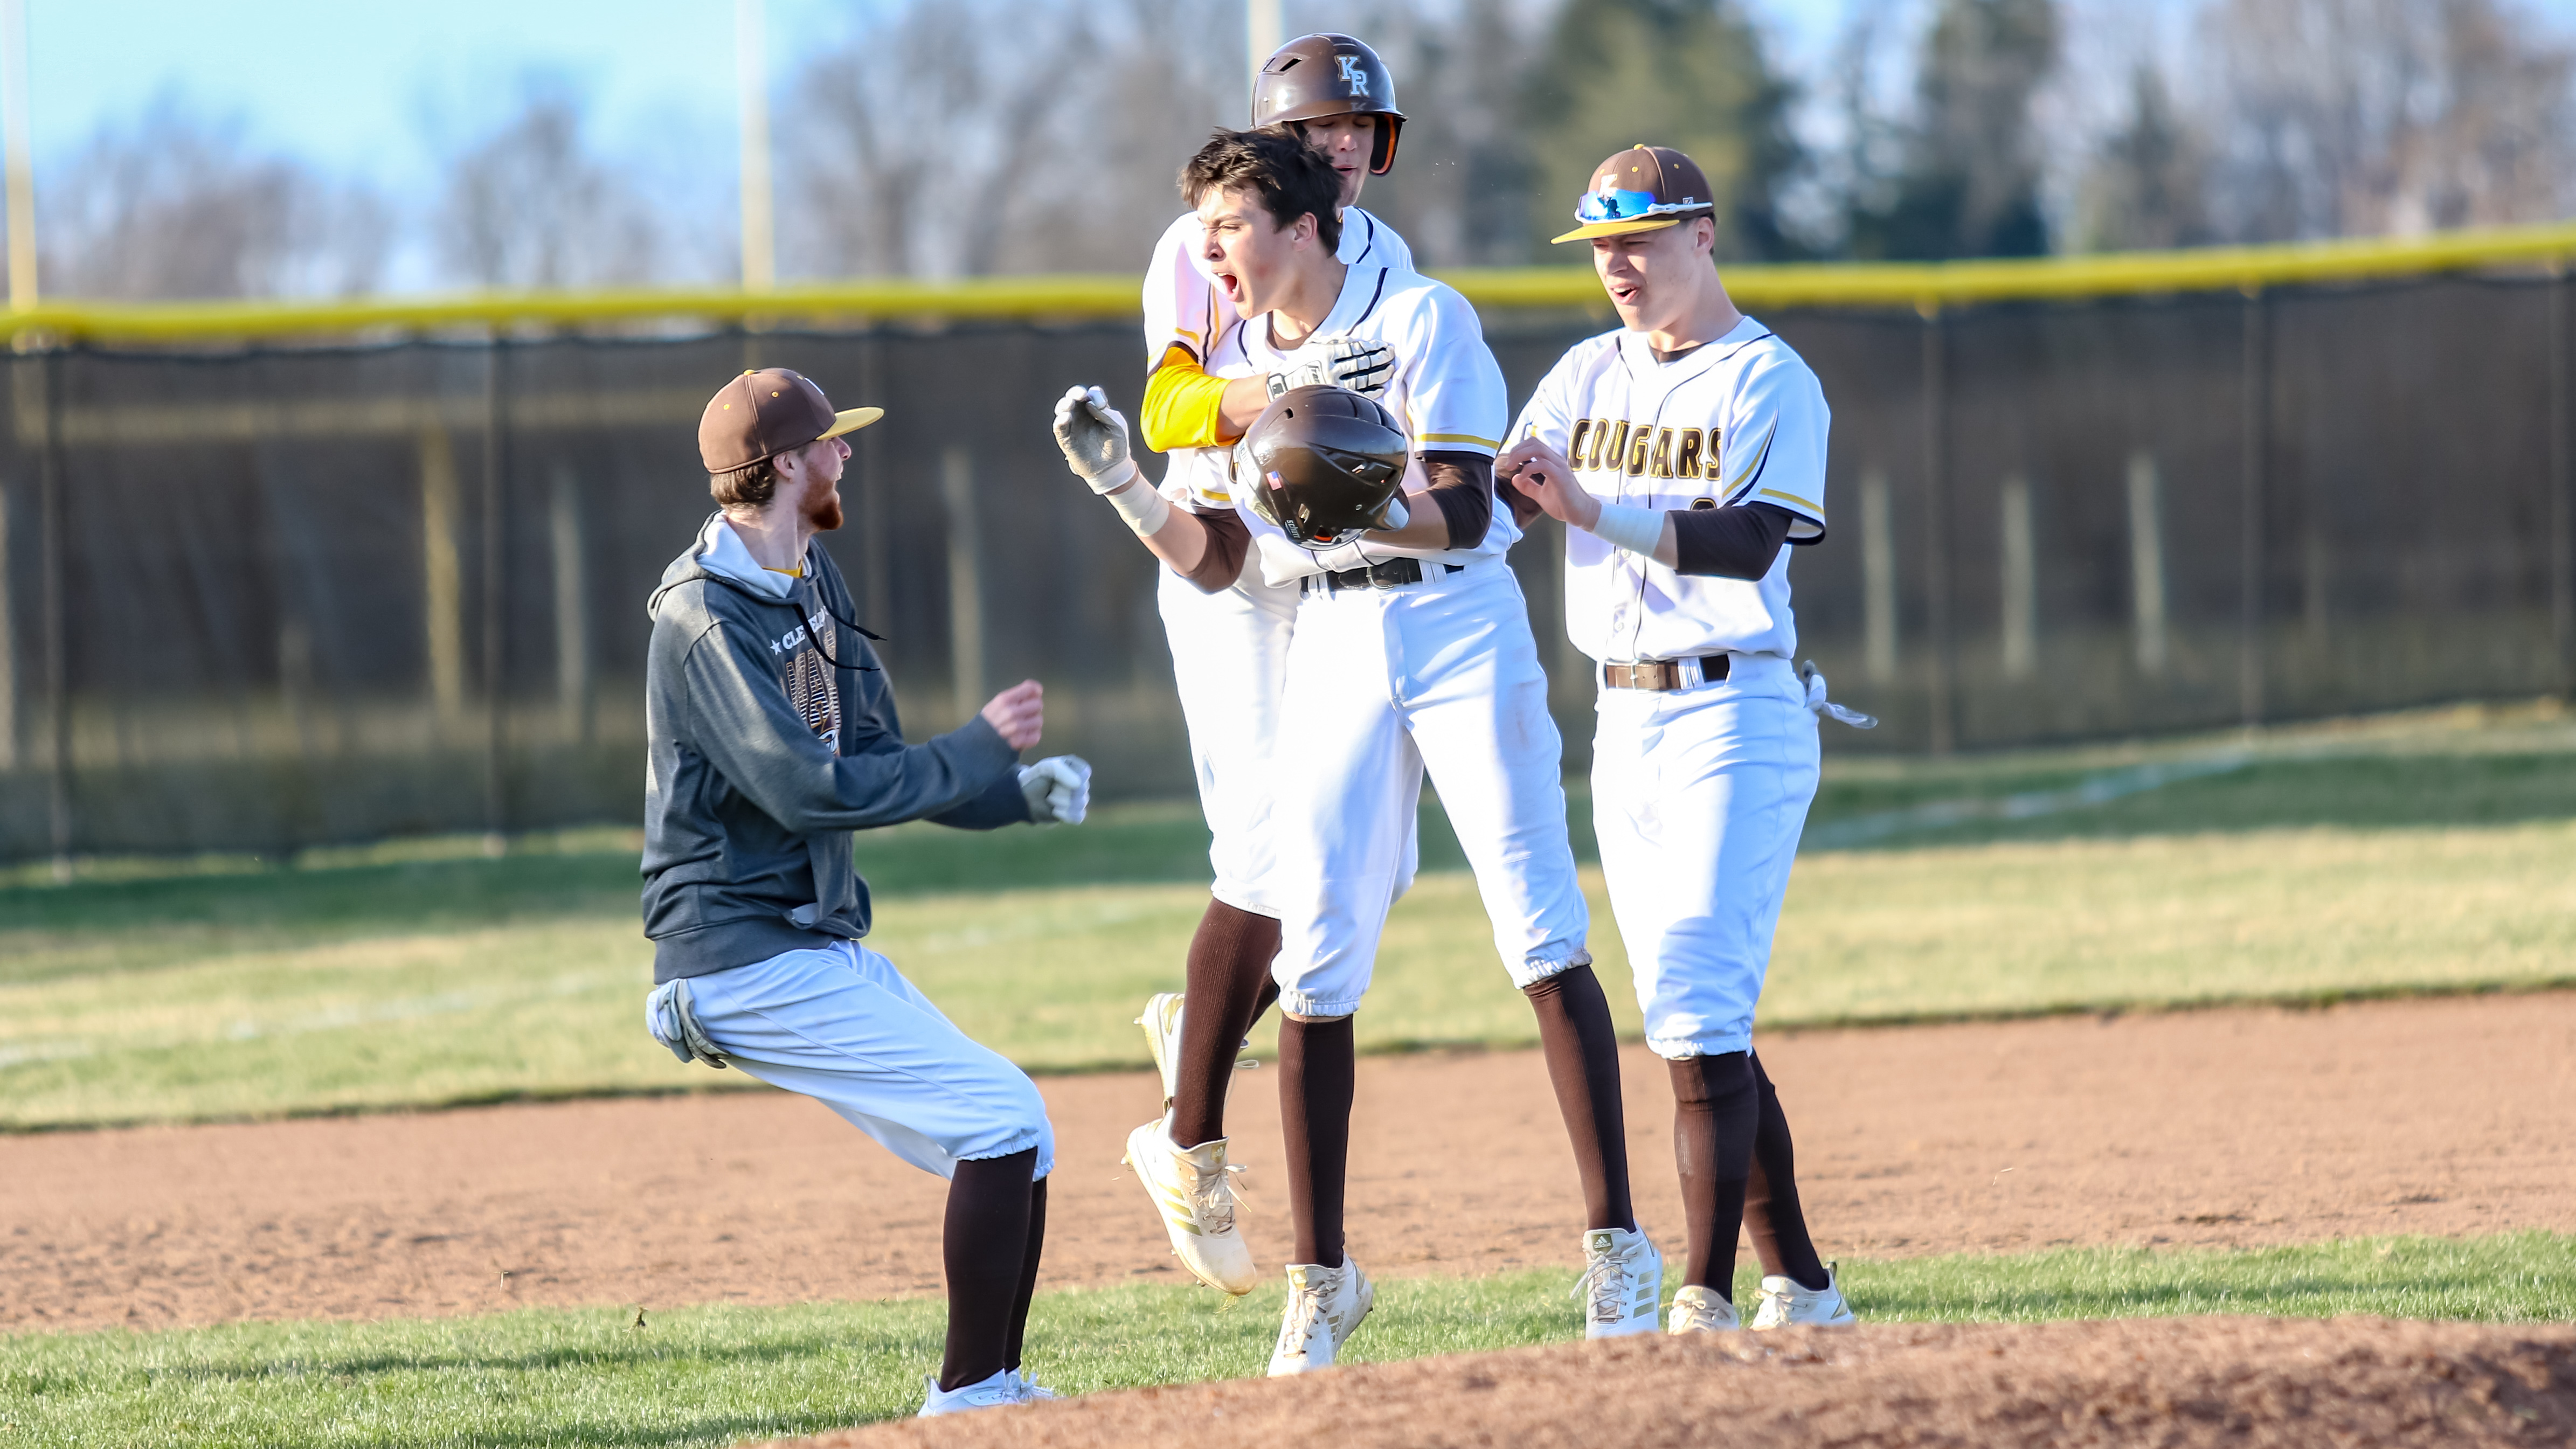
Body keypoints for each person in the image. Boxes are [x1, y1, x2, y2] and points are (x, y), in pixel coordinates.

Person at [1052, 127, 1657, 1375]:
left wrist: (1367, 498)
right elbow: (1221, 561)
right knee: (1317, 956)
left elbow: (1470, 503)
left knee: (1535, 928)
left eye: (1228, 226)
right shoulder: (1231, 372)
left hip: (1450, 621)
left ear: (1303, 226)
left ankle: (1616, 1250)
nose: (1207, 252)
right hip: (1323, 635)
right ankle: (1319, 1283)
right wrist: (1125, 486)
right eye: (1205, 230)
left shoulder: (1424, 315)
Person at [640, 368, 1095, 1416]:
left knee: (1017, 1132)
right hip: (737, 954)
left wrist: (1008, 790)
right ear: (788, 462)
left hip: (803, 941)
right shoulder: (702, 619)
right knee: (997, 1115)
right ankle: (965, 1396)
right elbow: (808, 791)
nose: (847, 454)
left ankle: (995, 1385)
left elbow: (878, 757)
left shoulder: (811, 579)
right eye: (832, 442)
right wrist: (976, 746)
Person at [1498, 145, 1871, 1335]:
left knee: (1701, 1000)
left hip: (1734, 712)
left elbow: (1753, 540)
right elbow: (1498, 499)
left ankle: (1701, 1302)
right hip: (1618, 718)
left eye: (1641, 238)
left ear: (1702, 235)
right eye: (1601, 245)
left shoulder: (1770, 376)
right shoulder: (1578, 372)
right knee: (1685, 1015)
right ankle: (1801, 1287)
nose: (1618, 263)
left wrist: (1592, 507)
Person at [1119, 32, 1418, 1302]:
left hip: (1328, 562)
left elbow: (1393, 418)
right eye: (1320, 129)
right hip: (1224, 561)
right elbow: (1170, 409)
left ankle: (1194, 1041)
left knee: (1377, 856)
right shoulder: (1202, 241)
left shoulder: (1390, 260)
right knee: (1262, 852)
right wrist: (1286, 401)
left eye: (1360, 130)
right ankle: (1186, 1133)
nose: (1342, 146)